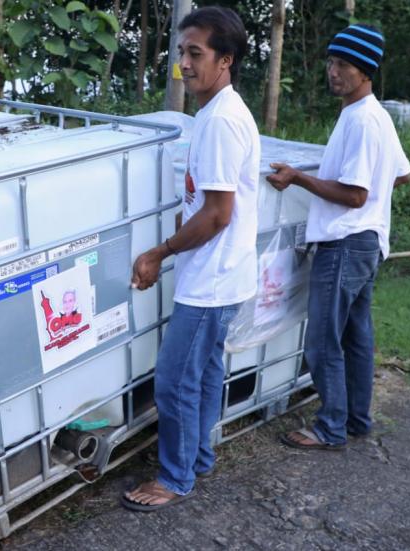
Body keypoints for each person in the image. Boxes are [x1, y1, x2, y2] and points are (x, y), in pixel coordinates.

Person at [121, 6, 260, 511]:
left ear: (225, 60)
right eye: (181, 52)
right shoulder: (213, 114)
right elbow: (206, 204)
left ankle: (175, 476)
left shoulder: (222, 121)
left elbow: (219, 213)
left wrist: (160, 252)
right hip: (218, 271)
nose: (184, 63)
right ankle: (197, 456)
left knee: (174, 379)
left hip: (214, 279)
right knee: (201, 374)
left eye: (195, 53)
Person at [266, 24, 410, 451]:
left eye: (343, 65)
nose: (333, 72)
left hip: (346, 243)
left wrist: (297, 179)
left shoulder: (364, 121)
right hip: (365, 242)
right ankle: (356, 420)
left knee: (324, 339)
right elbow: (402, 173)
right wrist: (372, 201)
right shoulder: (371, 115)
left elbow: (354, 194)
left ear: (365, 71)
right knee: (356, 337)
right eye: (331, 62)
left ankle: (331, 427)